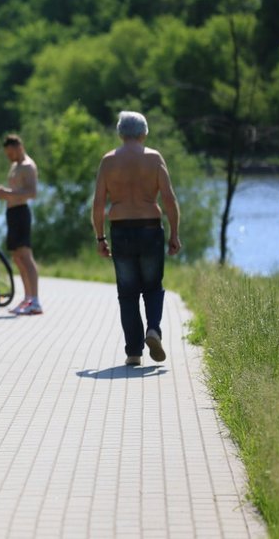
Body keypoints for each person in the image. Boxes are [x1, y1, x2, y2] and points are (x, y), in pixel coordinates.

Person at [91, 111, 181, 367]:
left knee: (127, 292)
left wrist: (100, 237)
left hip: (120, 229)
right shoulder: (154, 159)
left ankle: (133, 352)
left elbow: (98, 204)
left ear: (120, 133)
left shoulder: (108, 161)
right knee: (153, 286)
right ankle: (153, 329)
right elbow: (169, 198)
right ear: (144, 133)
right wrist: (174, 233)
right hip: (150, 227)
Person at [0, 134, 42, 315]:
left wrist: (7, 193)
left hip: (21, 212)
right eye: (7, 153)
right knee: (17, 256)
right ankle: (28, 298)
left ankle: (35, 300)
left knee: (26, 255)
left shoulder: (28, 166)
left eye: (11, 152)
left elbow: (32, 193)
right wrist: (2, 195)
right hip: (11, 212)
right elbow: (14, 191)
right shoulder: (15, 166)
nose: (9, 156)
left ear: (19, 147)